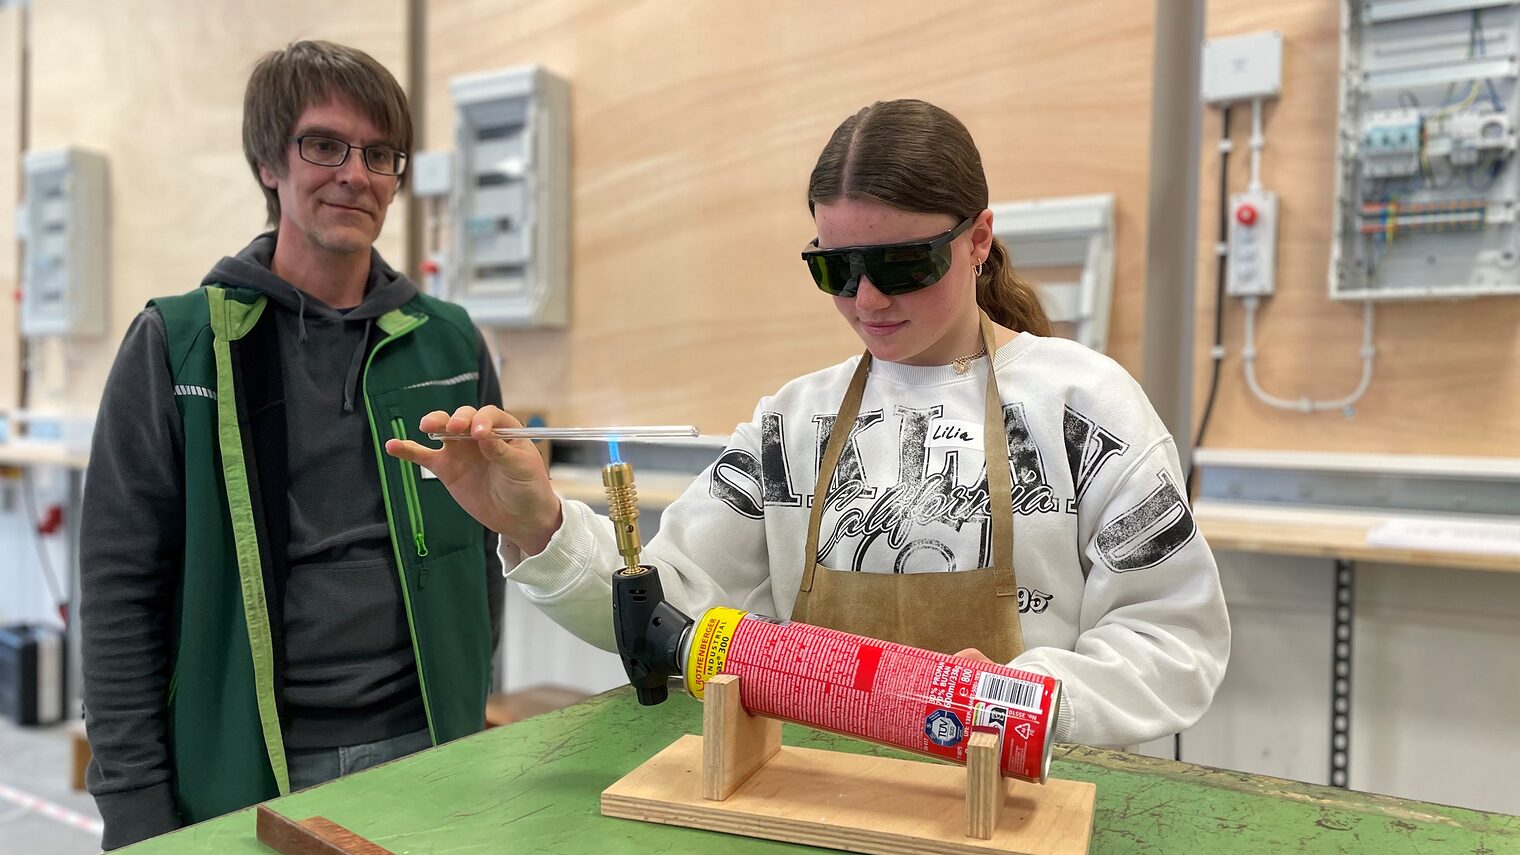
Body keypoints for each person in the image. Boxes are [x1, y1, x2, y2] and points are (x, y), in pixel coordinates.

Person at [387, 99, 1229, 751]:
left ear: (978, 241)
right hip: (817, 793)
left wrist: (1022, 699)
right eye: (837, 266)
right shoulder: (795, 425)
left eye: (903, 263)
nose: (867, 299)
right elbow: (672, 610)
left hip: (1029, 805)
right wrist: (539, 526)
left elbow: (1171, 635)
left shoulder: (1085, 409)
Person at [80, 40, 503, 849]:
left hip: (429, 751)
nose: (356, 173)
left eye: (381, 154)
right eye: (323, 145)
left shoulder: (448, 343)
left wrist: (470, 704)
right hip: (248, 764)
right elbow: (117, 592)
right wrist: (133, 807)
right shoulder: (180, 345)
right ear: (269, 163)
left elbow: (481, 550)